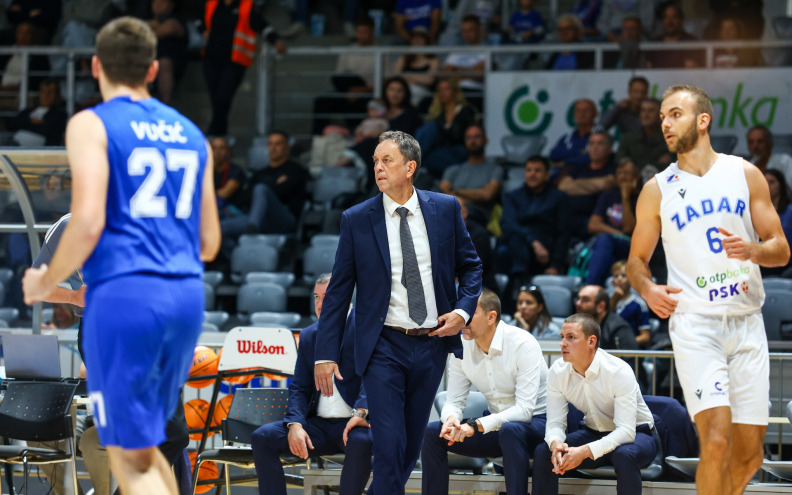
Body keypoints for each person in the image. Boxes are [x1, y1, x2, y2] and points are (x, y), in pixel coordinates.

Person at [22, 16, 221, 495]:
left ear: (95, 65)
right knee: (161, 441)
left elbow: (86, 221)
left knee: (134, 458)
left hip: (124, 305)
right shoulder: (192, 133)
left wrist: (45, 283)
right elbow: (210, 243)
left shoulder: (91, 123)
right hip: (183, 301)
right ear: (153, 69)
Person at [627, 84, 790, 495]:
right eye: (663, 116)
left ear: (703, 120)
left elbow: (781, 249)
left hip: (747, 323)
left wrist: (753, 249)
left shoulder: (744, 173)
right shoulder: (656, 189)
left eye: (675, 114)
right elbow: (635, 262)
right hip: (696, 325)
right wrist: (647, 289)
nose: (665, 122)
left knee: (750, 454)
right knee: (715, 440)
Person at [314, 130, 483, 495]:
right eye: (375, 161)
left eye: (386, 160)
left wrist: (463, 312)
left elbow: (471, 267)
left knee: (408, 447)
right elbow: (339, 290)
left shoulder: (445, 208)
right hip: (383, 345)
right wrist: (325, 353)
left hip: (432, 343)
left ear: (410, 167)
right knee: (388, 445)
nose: (378, 167)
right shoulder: (357, 218)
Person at [251, 273, 373, 495]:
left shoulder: (366, 328)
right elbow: (300, 387)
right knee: (263, 437)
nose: (320, 304)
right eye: (316, 297)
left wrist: (361, 412)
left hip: (355, 422)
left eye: (326, 296)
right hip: (318, 427)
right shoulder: (308, 335)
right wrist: (295, 424)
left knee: (361, 443)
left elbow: (373, 377)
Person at [422, 289, 548, 495]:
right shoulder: (460, 345)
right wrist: (451, 420)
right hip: (494, 427)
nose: (462, 319)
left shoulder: (523, 343)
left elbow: (524, 410)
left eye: (469, 313)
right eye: (459, 312)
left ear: (491, 317)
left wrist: (475, 425)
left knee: (511, 430)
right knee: (433, 433)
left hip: (536, 424)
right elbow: (454, 400)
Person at [532, 313, 657, 495]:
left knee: (624, 455)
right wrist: (556, 444)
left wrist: (584, 451)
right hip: (594, 432)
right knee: (544, 452)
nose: (562, 344)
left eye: (571, 338)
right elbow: (555, 424)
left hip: (638, 433)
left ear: (591, 341)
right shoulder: (557, 371)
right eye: (562, 337)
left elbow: (626, 432)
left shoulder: (618, 371)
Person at [203, 0, 286, 136]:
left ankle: (215, 134)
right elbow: (199, 21)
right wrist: (203, 31)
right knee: (216, 99)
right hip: (211, 60)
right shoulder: (212, 4)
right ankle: (219, 135)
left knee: (224, 97)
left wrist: (276, 40)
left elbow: (263, 26)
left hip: (235, 62)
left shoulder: (245, 6)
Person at [222, 130, 308, 242]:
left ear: (287, 147)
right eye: (270, 144)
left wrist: (264, 191)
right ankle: (238, 257)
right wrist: (274, 185)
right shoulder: (259, 173)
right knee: (220, 228)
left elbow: (281, 194)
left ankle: (251, 232)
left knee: (260, 189)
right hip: (257, 218)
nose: (273, 148)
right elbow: (246, 199)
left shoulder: (295, 170)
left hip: (284, 220)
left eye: (278, 144)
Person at [500, 155, 569, 282]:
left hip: (546, 249)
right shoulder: (512, 196)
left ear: (547, 175)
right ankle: (519, 280)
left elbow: (563, 233)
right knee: (511, 240)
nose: (532, 174)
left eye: (537, 170)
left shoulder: (559, 198)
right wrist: (533, 242)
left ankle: (519, 282)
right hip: (517, 246)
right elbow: (507, 224)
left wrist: (555, 265)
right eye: (529, 170)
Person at [311, 17, 376, 134]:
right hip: (347, 92)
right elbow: (338, 76)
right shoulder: (347, 50)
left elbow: (385, 81)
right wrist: (349, 91)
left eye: (365, 32)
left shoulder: (380, 52)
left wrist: (360, 90)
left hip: (368, 93)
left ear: (372, 32)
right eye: (359, 32)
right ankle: (317, 139)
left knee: (367, 103)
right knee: (321, 102)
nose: (361, 35)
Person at [584, 157, 640, 285]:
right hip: (610, 245)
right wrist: (616, 234)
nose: (622, 177)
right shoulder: (609, 195)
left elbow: (628, 229)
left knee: (604, 240)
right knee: (606, 253)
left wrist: (625, 198)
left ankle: (589, 286)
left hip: (632, 247)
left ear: (637, 176)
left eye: (626, 173)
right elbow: (592, 225)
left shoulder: (642, 197)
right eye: (619, 173)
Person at [439, 124, 504, 228]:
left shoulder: (495, 169)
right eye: (469, 138)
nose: (472, 141)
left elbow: (487, 195)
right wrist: (475, 194)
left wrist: (457, 191)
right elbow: (444, 188)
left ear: (485, 140)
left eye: (476, 137)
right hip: (451, 212)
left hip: (477, 216)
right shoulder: (454, 170)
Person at [557, 131, 616, 239]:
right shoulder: (579, 167)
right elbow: (563, 186)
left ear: (610, 148)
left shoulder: (613, 167)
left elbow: (605, 184)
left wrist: (575, 185)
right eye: (591, 144)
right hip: (567, 215)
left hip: (592, 218)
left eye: (600, 144)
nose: (595, 148)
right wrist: (593, 186)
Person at [414, 78, 478, 177]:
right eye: (440, 90)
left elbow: (463, 136)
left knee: (428, 158)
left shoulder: (465, 111)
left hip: (459, 150)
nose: (443, 93)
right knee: (429, 128)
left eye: (446, 89)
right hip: (440, 150)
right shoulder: (438, 114)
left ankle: (410, 159)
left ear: (455, 91)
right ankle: (412, 157)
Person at [616, 98, 674, 179]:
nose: (645, 115)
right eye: (643, 111)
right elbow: (619, 157)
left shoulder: (672, 138)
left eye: (650, 111)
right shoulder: (629, 137)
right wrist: (627, 162)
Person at [147, 0, 187, 105]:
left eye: (162, 2)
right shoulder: (147, 17)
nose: (158, 5)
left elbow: (168, 29)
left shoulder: (177, 20)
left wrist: (152, 27)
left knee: (164, 63)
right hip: (148, 60)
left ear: (171, 5)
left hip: (173, 64)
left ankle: (166, 103)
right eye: (155, 2)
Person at [7, 78, 68, 146]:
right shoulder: (28, 111)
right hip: (15, 141)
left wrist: (27, 122)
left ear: (57, 95)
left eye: (50, 92)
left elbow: (49, 130)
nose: (46, 95)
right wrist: (31, 121)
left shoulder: (60, 114)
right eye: (43, 91)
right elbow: (11, 124)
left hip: (38, 147)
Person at [575, 285, 637, 350]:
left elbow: (630, 358)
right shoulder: (577, 327)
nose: (578, 303)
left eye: (585, 300)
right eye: (578, 299)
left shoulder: (619, 328)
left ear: (600, 306)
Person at [392, 28, 440, 110]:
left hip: (423, 92)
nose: (417, 40)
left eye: (420, 38)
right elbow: (396, 76)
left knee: (414, 90)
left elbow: (429, 80)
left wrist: (407, 75)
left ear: (426, 40)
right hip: (403, 90)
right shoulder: (404, 58)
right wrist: (419, 78)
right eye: (414, 38)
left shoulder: (433, 60)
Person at [645, 4, 703, 69]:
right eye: (666, 17)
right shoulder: (654, 43)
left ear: (681, 20)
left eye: (674, 17)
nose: (669, 21)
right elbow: (648, 67)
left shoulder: (692, 42)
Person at [609, 260, 651, 347]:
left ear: (631, 280)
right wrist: (614, 300)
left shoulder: (638, 304)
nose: (619, 279)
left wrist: (627, 342)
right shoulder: (608, 301)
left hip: (631, 350)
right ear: (612, 281)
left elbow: (645, 336)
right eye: (616, 276)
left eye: (624, 276)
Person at [549, 98, 597, 168]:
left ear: (595, 114)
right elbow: (553, 154)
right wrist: (578, 152)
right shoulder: (567, 138)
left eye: (586, 110)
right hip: (561, 176)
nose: (582, 114)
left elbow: (589, 159)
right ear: (574, 114)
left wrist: (564, 162)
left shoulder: (599, 137)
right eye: (578, 111)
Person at [211, 136, 246, 218]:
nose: (217, 152)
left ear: (228, 152)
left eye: (221, 148)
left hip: (234, 211)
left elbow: (224, 193)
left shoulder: (236, 170)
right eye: (213, 148)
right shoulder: (207, 170)